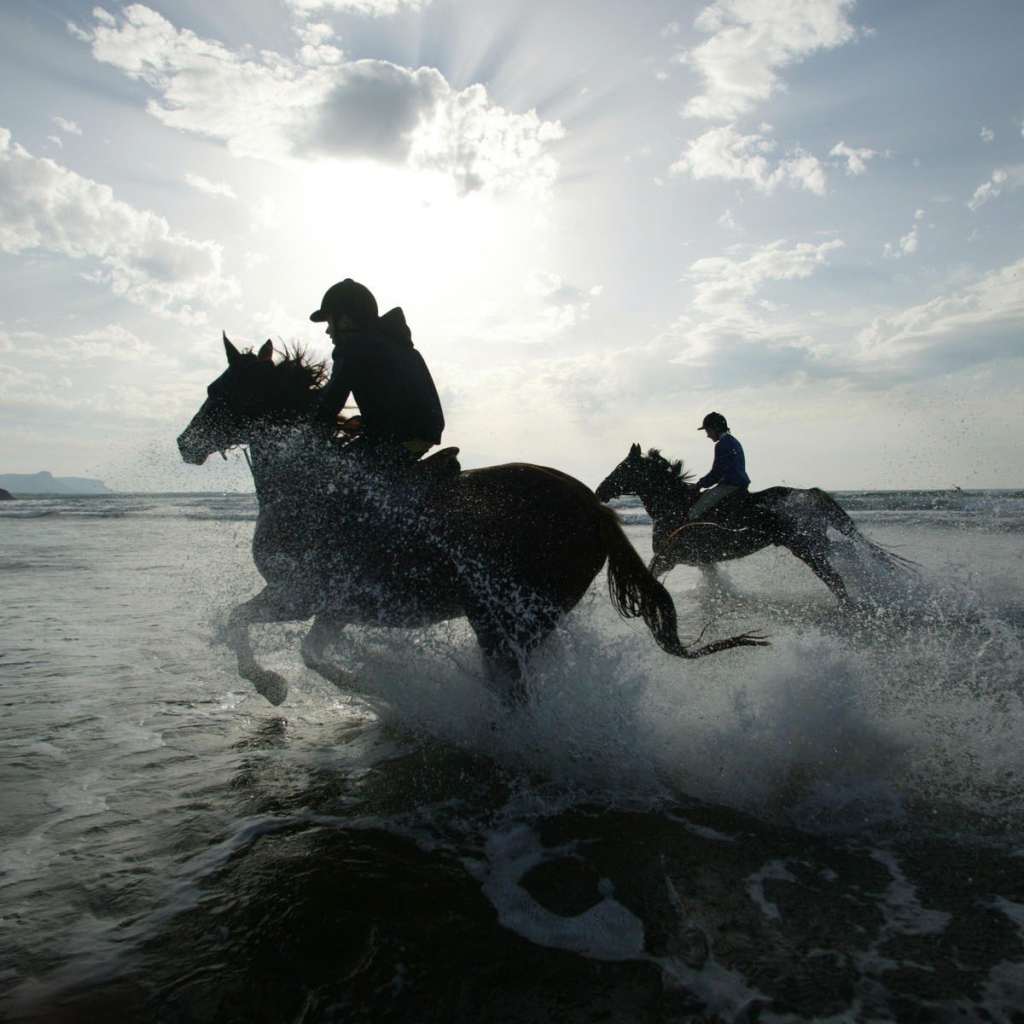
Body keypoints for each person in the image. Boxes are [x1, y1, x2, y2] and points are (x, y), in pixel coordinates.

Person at [310, 279, 445, 475]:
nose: (328, 330)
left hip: (394, 439)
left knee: (331, 474)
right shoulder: (399, 345)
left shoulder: (352, 348)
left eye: (330, 321)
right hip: (424, 435)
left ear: (344, 320)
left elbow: (330, 402)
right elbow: (397, 399)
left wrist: (307, 433)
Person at [689, 411, 750, 519]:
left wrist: (699, 485)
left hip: (729, 486)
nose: (707, 435)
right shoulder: (733, 441)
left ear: (715, 428)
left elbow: (716, 473)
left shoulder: (722, 444)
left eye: (708, 431)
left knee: (694, 512)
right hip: (741, 484)